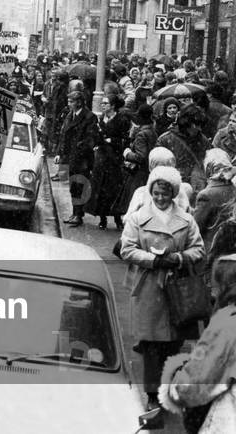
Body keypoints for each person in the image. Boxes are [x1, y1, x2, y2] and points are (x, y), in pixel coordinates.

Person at [120, 165, 205, 418]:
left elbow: (198, 249)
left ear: (174, 193)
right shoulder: (138, 218)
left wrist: (178, 258)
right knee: (150, 345)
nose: (160, 198)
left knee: (173, 345)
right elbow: (127, 249)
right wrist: (153, 260)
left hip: (177, 290)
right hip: (148, 288)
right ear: (150, 191)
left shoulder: (187, 220)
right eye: (156, 193)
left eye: (165, 193)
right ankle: (151, 396)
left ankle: (166, 390)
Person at [158, 255, 236, 432]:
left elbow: (197, 382)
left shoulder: (226, 325)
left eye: (216, 285)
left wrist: (175, 387)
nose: (213, 292)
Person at [56, 91, 100, 226]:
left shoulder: (89, 117)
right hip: (70, 157)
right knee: (73, 186)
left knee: (80, 185)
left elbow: (90, 139)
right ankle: (74, 213)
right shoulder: (70, 115)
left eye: (71, 102)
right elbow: (63, 135)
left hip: (82, 159)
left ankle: (78, 215)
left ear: (79, 102)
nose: (69, 104)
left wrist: (78, 150)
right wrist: (60, 153)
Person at [192, 149, 235, 282]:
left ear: (208, 169)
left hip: (211, 254)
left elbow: (196, 228)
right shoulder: (233, 189)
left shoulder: (206, 195)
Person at [93, 94, 130, 230]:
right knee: (102, 189)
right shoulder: (101, 119)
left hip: (115, 159)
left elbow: (125, 139)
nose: (102, 106)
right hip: (102, 158)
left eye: (105, 103)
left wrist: (112, 140)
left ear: (113, 106)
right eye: (102, 103)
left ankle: (117, 219)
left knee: (114, 189)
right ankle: (102, 218)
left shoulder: (121, 120)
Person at [157, 104, 210, 198]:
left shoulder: (203, 141)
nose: (199, 128)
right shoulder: (165, 140)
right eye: (196, 125)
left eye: (201, 125)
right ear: (187, 123)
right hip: (173, 191)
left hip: (197, 192)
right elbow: (158, 170)